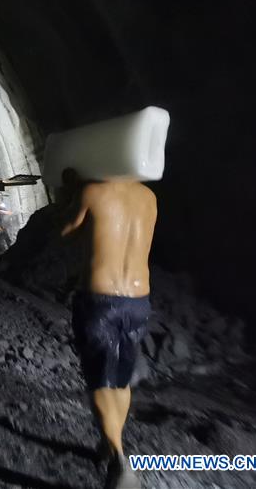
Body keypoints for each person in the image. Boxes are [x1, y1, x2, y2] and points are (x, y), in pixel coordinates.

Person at [60, 169, 157, 489]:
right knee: (120, 378)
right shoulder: (149, 197)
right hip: (139, 302)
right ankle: (108, 442)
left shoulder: (93, 191)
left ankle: (119, 460)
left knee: (99, 380)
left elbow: (66, 231)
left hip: (100, 302)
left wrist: (71, 197)